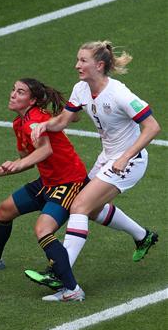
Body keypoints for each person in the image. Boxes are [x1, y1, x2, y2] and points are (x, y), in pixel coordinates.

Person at [26, 42, 160, 289]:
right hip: (107, 157)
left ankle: (59, 272)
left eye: (83, 61)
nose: (77, 65)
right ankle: (143, 237)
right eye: (77, 59)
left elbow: (152, 127)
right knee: (93, 209)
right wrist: (43, 125)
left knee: (79, 206)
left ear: (99, 65)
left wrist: (125, 157)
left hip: (129, 161)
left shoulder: (120, 94)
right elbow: (65, 120)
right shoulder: (81, 89)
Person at [0, 79, 97, 301]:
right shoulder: (20, 123)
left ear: (32, 100)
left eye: (20, 92)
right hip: (47, 181)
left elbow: (45, 150)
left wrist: (20, 164)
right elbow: (26, 159)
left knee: (43, 229)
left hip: (68, 182)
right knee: (4, 211)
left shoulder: (35, 120)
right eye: (13, 90)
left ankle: (72, 289)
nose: (13, 94)